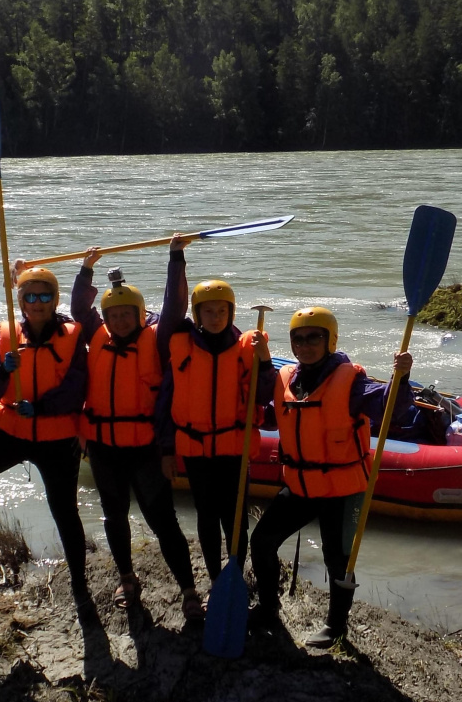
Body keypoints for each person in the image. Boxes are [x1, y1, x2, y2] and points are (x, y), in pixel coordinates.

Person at [249, 306, 416, 648]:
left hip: (341, 488)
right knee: (262, 541)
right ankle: (268, 607)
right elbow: (271, 412)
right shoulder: (287, 378)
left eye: (314, 337)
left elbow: (391, 410)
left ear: (330, 340)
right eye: (298, 339)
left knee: (337, 559)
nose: (305, 345)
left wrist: (401, 379)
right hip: (300, 485)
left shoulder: (351, 382)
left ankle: (336, 627)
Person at [0, 264, 97, 623]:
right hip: (11, 433)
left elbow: (77, 387)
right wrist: (2, 371)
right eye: (29, 296)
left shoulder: (72, 335)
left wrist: (42, 407)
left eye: (45, 295)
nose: (37, 302)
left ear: (54, 300)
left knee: (65, 511)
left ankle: (79, 586)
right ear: (20, 301)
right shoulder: (7, 334)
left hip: (56, 438)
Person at [71, 249, 201, 621]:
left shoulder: (157, 340)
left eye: (127, 314)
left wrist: (176, 259)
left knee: (163, 522)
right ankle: (127, 578)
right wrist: (85, 270)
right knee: (114, 517)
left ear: (140, 314)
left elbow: (175, 307)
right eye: (113, 315)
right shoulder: (97, 335)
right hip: (104, 449)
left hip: (145, 449)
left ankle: (188, 590)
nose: (120, 320)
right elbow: (80, 310)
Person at [155, 242, 278, 584]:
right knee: (207, 518)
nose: (216, 317)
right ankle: (214, 577)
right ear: (197, 315)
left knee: (235, 520)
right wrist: (167, 449)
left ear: (231, 313)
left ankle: (234, 576)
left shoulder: (247, 348)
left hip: (233, 450)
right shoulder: (181, 344)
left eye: (222, 310)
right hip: (196, 451)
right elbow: (166, 401)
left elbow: (264, 395)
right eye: (208, 311)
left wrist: (266, 360)